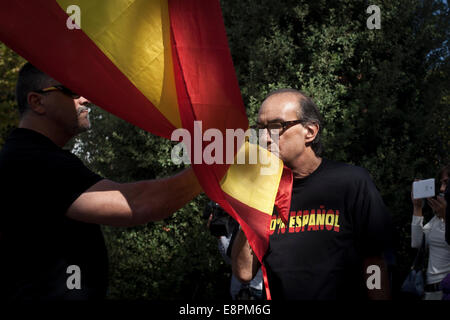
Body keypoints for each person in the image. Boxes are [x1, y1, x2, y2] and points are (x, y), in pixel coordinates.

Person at [0, 63, 202, 300]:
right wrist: (215, 168)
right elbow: (137, 204)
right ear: (36, 102)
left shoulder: (27, 155)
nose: (86, 99)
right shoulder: (33, 160)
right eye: (72, 91)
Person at [231, 88, 392, 300]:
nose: (265, 138)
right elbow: (243, 272)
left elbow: (375, 260)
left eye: (277, 126)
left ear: (310, 131)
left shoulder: (350, 182)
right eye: (260, 129)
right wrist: (253, 201)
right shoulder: (259, 192)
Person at [203, 201, 263, 300]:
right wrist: (219, 234)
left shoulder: (256, 222)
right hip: (239, 289)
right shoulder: (231, 229)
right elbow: (232, 261)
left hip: (255, 288)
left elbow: (237, 261)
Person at [411, 165, 450, 300]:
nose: (442, 189)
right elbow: (417, 243)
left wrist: (446, 216)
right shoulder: (436, 218)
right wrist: (417, 207)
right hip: (430, 291)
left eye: (446, 182)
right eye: (441, 183)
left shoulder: (442, 215)